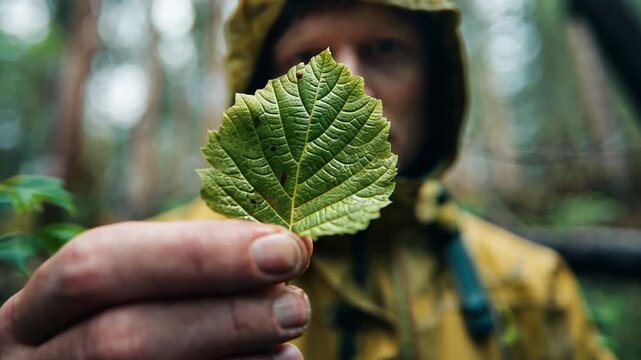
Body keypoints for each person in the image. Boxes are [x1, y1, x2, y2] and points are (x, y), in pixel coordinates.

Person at [0, 0, 616, 359]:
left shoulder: (531, 285)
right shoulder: (160, 273)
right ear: (262, 90)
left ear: (440, 87)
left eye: (384, 49)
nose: (348, 84)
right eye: (306, 59)